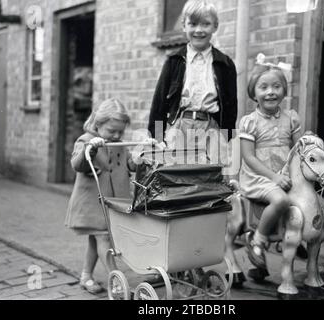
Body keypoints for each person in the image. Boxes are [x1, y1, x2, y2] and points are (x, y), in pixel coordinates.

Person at [147, 0, 237, 166]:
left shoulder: (225, 64)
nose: (199, 30)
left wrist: (226, 136)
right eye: (193, 24)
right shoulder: (174, 61)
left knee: (213, 174)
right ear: (184, 26)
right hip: (181, 125)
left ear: (215, 26)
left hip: (211, 126)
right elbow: (159, 102)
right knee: (177, 173)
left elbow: (231, 105)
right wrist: (156, 137)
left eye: (205, 24)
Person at [238, 54, 303, 276]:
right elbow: (249, 157)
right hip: (260, 177)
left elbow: (298, 151)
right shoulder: (250, 122)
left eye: (276, 86)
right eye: (263, 87)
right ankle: (260, 238)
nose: (270, 92)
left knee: (311, 200)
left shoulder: (291, 118)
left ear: (284, 90)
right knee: (281, 199)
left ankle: (296, 236)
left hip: (284, 175)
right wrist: (274, 177)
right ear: (254, 94)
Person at [65, 98, 137, 294]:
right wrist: (92, 149)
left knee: (95, 240)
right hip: (92, 203)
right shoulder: (87, 140)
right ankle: (116, 280)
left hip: (113, 202)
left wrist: (141, 158)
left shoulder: (119, 144)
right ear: (98, 123)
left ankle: (85, 276)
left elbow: (130, 164)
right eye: (111, 131)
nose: (116, 135)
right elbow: (77, 164)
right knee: (103, 239)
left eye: (120, 132)